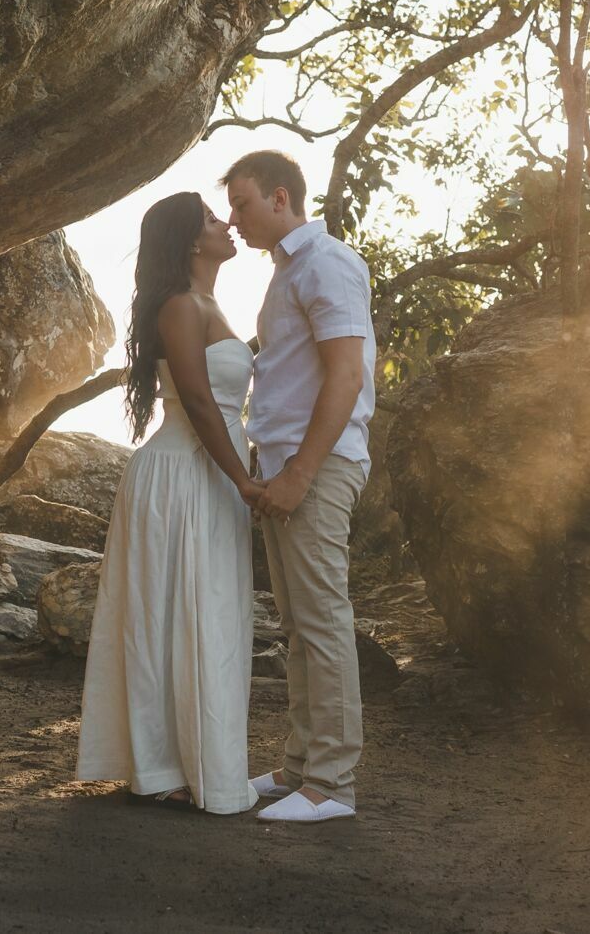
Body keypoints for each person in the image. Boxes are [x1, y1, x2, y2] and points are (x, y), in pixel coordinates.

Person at [75, 192, 264, 813]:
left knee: (205, 612)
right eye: (214, 219)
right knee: (176, 613)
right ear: (189, 241)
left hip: (207, 472)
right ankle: (162, 767)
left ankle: (186, 762)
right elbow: (202, 403)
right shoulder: (182, 307)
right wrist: (244, 479)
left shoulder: (208, 303)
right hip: (185, 473)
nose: (227, 224)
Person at [223, 150, 375, 824]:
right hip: (282, 462)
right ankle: (299, 770)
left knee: (320, 619)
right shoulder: (289, 270)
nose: (234, 220)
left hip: (314, 465)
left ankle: (333, 785)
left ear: (280, 199)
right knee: (296, 626)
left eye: (243, 204)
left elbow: (346, 375)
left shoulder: (327, 262)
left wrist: (300, 472)